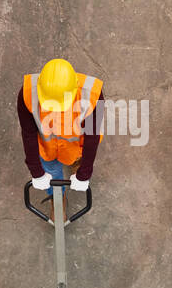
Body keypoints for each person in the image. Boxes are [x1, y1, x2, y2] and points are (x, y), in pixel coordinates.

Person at [18, 58, 107, 198]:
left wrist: (84, 172)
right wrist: (37, 172)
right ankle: (58, 198)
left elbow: (92, 135)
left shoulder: (93, 95)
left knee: (78, 161)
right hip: (47, 149)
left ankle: (77, 164)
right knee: (53, 175)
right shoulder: (27, 93)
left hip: (77, 147)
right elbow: (28, 133)